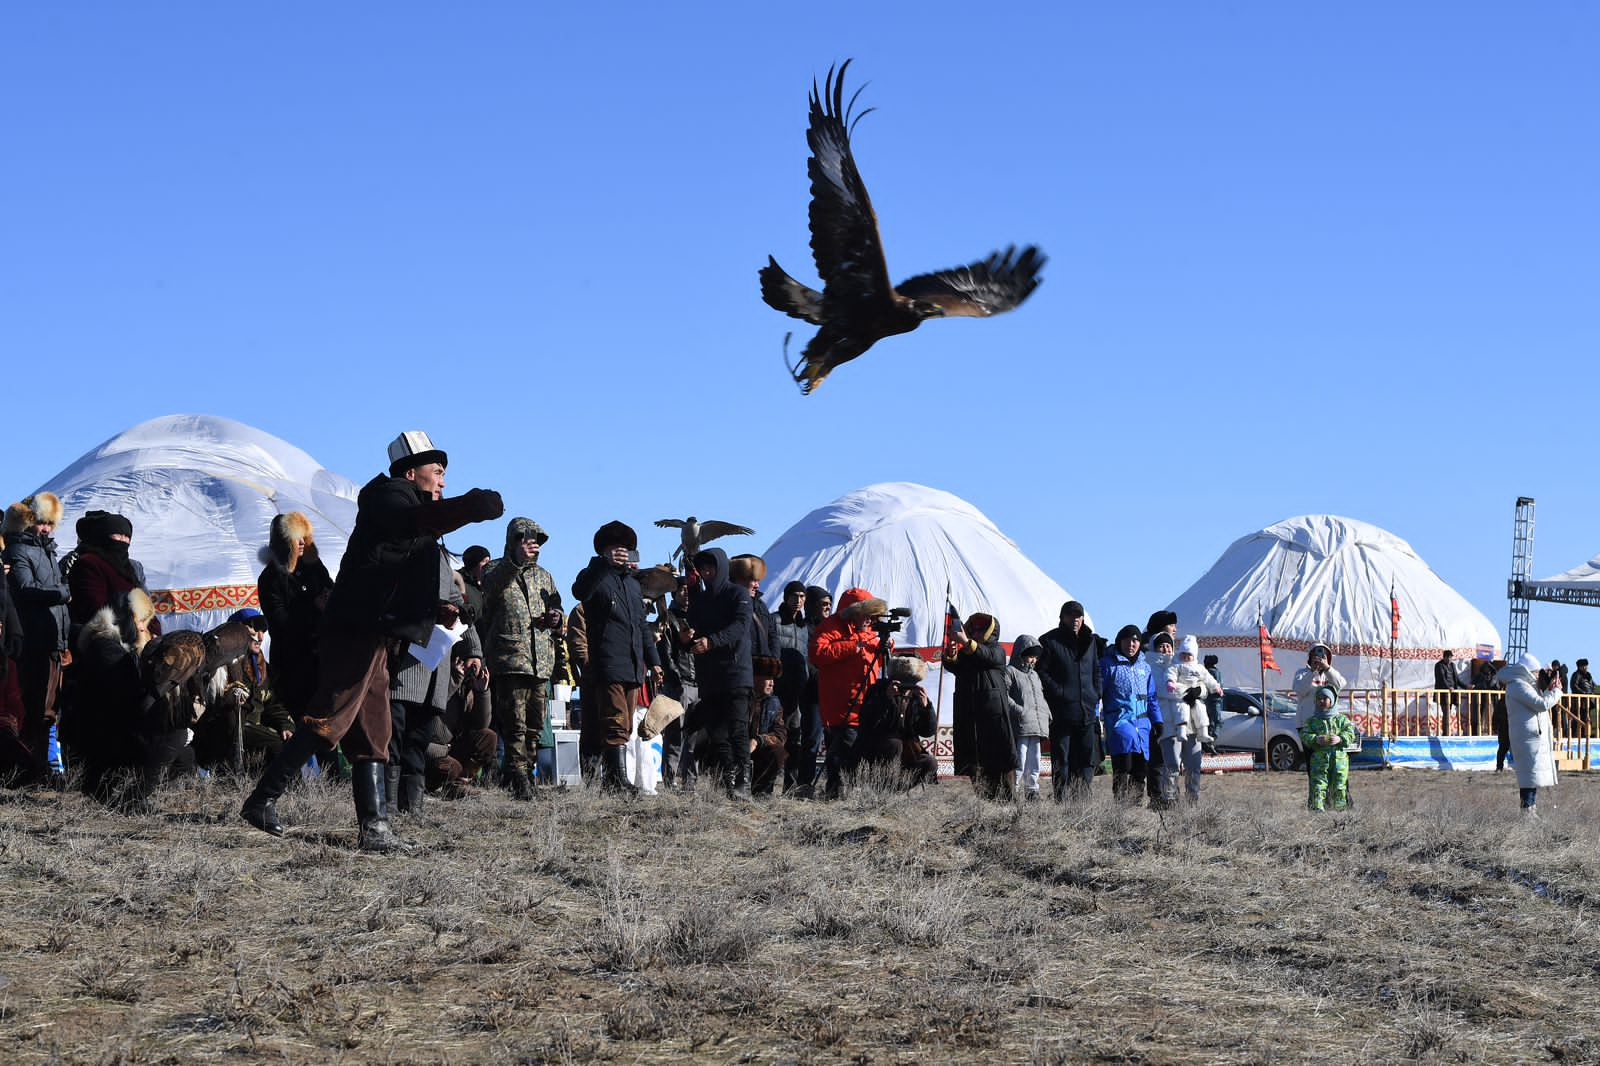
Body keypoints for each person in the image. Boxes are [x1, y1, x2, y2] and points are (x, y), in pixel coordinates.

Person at [241, 430, 504, 850]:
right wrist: (473, 506)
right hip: (356, 629)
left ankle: (376, 829)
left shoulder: (408, 510)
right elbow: (411, 524)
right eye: (437, 472)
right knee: (333, 714)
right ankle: (262, 799)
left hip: (377, 632)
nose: (442, 482)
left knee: (373, 729)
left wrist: (434, 612)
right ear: (411, 470)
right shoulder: (388, 498)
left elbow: (390, 574)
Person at [387, 535, 482, 816]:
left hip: (434, 667)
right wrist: (433, 610)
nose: (441, 488)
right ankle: (388, 809)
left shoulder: (439, 556)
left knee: (418, 740)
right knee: (394, 739)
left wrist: (474, 649)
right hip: (403, 665)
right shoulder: (395, 547)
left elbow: (457, 603)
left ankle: (412, 809)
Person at [571, 521, 660, 793]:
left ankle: (613, 779)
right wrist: (600, 564)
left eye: (626, 549)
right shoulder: (595, 577)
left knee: (627, 723)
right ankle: (616, 781)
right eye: (616, 548)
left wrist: (654, 661)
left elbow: (642, 626)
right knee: (615, 721)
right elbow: (579, 591)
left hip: (634, 664)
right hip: (607, 663)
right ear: (604, 550)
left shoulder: (633, 585)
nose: (622, 553)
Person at [481, 517, 563, 799]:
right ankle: (517, 777)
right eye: (526, 539)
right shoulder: (495, 570)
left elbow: (557, 606)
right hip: (510, 659)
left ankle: (524, 773)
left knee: (535, 726)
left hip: (541, 662)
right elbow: (489, 592)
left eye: (536, 540)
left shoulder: (545, 576)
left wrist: (555, 618)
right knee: (514, 724)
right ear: (513, 541)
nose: (533, 545)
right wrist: (514, 561)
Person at [3, 493, 70, 785]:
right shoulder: (19, 550)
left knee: (51, 711)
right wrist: (61, 593)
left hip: (54, 639)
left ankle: (43, 769)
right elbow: (26, 588)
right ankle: (32, 771)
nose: (46, 529)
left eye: (50, 524)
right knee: (36, 708)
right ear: (31, 521)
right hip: (34, 639)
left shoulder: (48, 552)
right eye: (42, 523)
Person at [684, 547, 753, 798]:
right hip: (709, 675)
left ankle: (744, 781)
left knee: (737, 729)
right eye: (703, 569)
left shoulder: (739, 594)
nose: (707, 572)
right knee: (717, 731)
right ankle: (729, 779)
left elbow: (740, 628)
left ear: (721, 567)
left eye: (711, 567)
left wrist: (711, 642)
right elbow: (693, 628)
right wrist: (686, 639)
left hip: (736, 674)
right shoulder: (701, 600)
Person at [192, 608, 295, 769]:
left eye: (263, 631)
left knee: (287, 743)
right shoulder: (219, 664)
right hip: (223, 731)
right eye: (255, 628)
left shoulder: (262, 667)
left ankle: (288, 792)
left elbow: (272, 702)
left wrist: (285, 725)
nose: (260, 637)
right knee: (275, 744)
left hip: (252, 728)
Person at [256, 511, 335, 721]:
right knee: (306, 723)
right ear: (284, 541)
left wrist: (331, 597)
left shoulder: (313, 565)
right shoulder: (270, 578)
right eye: (296, 537)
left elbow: (330, 588)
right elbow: (280, 623)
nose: (301, 542)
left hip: (324, 658)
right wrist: (314, 606)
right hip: (294, 665)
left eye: (303, 536)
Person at [811, 587, 883, 798]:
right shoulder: (831, 626)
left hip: (865, 704)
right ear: (853, 611)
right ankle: (836, 794)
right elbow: (818, 653)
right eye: (865, 613)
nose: (869, 619)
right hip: (840, 703)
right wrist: (853, 645)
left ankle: (850, 792)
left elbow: (873, 665)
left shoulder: (871, 633)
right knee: (842, 749)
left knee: (859, 750)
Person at [944, 612, 1016, 800]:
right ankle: (980, 804)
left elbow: (985, 656)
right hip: (969, 713)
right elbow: (956, 667)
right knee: (973, 762)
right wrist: (951, 653)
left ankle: (1007, 806)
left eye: (980, 629)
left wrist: (966, 642)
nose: (975, 632)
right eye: (973, 629)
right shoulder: (966, 654)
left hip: (992, 715)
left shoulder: (997, 650)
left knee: (998, 761)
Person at [1036, 601, 1103, 799]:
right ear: (1062, 618)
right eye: (1071, 616)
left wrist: (1095, 692)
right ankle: (1061, 801)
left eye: (1078, 616)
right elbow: (1042, 672)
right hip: (1062, 712)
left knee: (1084, 760)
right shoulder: (1050, 641)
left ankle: (1081, 801)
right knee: (1062, 760)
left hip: (1086, 711)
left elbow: (1096, 669)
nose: (1075, 620)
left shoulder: (1090, 641)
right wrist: (1061, 692)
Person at [424, 644, 498, 797]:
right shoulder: (437, 676)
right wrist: (453, 680)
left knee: (488, 737)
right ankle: (433, 783)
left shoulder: (467, 689)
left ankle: (458, 784)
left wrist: (481, 691)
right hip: (433, 749)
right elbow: (433, 711)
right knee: (453, 767)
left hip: (453, 748)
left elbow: (481, 724)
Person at [856, 654, 938, 786]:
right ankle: (883, 786)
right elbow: (867, 723)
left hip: (908, 751)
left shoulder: (916, 696)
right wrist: (886, 699)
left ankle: (902, 789)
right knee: (894, 743)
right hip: (878, 749)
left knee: (930, 762)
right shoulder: (878, 690)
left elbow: (928, 732)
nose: (905, 688)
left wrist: (926, 707)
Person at [1159, 636, 1222, 806]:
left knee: (1194, 765)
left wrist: (1199, 690)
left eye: (1168, 645)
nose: (1165, 649)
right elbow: (1165, 691)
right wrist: (1188, 691)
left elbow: (1205, 685)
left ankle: (1192, 799)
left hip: (1193, 725)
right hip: (1171, 723)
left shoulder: (1195, 667)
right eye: (1161, 646)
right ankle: (1170, 800)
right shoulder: (1162, 668)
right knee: (1172, 764)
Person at [1497, 653, 1562, 816]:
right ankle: (1527, 813)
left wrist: (1548, 690)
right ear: (1527, 671)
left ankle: (1531, 811)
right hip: (1527, 738)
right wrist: (1556, 692)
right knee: (1528, 777)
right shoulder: (1518, 685)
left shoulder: (1525, 685)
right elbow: (1541, 704)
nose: (1536, 675)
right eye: (1535, 672)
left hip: (1530, 737)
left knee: (1532, 777)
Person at [1100, 625, 1158, 802]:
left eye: (1135, 641)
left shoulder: (1145, 667)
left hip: (1142, 725)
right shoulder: (1108, 664)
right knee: (1124, 764)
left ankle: (1135, 805)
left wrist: (1158, 722)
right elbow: (1097, 694)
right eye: (1128, 640)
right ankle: (1121, 805)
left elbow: (1151, 698)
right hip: (1119, 721)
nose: (1131, 644)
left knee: (1140, 767)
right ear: (1120, 641)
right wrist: (1095, 718)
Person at [66, 512, 147, 626]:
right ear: (105, 535)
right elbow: (95, 609)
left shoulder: (131, 567)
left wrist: (152, 631)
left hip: (136, 632)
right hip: (103, 635)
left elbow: (145, 604)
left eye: (127, 536)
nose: (123, 540)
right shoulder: (89, 564)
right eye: (118, 534)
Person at [1298, 685, 1356, 811]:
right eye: (1319, 698)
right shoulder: (1312, 721)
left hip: (1339, 761)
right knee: (1318, 785)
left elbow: (1351, 733)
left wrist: (1340, 739)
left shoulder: (1341, 720)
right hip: (1319, 761)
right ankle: (1317, 811)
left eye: (1325, 698)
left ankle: (1340, 812)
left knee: (1339, 786)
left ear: (1332, 700)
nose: (1322, 701)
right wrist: (1315, 739)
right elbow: (1304, 734)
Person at [1006, 635, 1049, 800]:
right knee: (1020, 758)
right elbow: (1004, 695)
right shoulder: (1011, 672)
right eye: (1030, 655)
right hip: (1020, 723)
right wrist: (1019, 710)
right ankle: (1014, 790)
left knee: (1035, 758)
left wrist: (1046, 714)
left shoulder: (1035, 676)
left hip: (1036, 723)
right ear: (1020, 654)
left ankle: (1032, 790)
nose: (1033, 660)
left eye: (1035, 657)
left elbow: (1040, 697)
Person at [748, 673, 788, 795]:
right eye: (768, 679)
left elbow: (780, 735)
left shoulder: (774, 703)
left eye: (773, 679)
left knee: (778, 752)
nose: (772, 683)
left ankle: (762, 792)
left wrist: (758, 741)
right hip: (738, 747)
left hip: (760, 749)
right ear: (755, 678)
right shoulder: (742, 699)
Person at [1292, 642, 1347, 726]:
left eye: (1324, 655)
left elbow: (1340, 685)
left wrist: (1327, 668)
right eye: (1316, 654)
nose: (1319, 657)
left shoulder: (1331, 674)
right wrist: (1312, 672)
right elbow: (1300, 691)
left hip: (1329, 723)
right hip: (1307, 723)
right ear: (1310, 657)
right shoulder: (1301, 673)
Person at [456, 544, 491, 644]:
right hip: (464, 644)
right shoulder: (459, 583)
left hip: (483, 647)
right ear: (474, 563)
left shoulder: (487, 587)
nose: (487, 566)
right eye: (484, 562)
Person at [1433, 650, 1463, 735]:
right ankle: (1446, 734)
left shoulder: (1452, 665)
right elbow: (1442, 679)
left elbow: (1457, 679)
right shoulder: (1439, 665)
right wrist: (1448, 687)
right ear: (1444, 657)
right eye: (1448, 657)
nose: (1450, 659)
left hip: (1453, 693)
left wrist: (1466, 686)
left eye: (1451, 658)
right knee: (1446, 713)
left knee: (1450, 712)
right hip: (1443, 694)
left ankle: (1450, 732)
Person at [1202, 654, 1223, 746]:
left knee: (1212, 721)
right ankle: (1211, 741)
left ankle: (1209, 741)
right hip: (1214, 700)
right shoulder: (1213, 671)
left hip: (1211, 699)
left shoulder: (1210, 671)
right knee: (1216, 721)